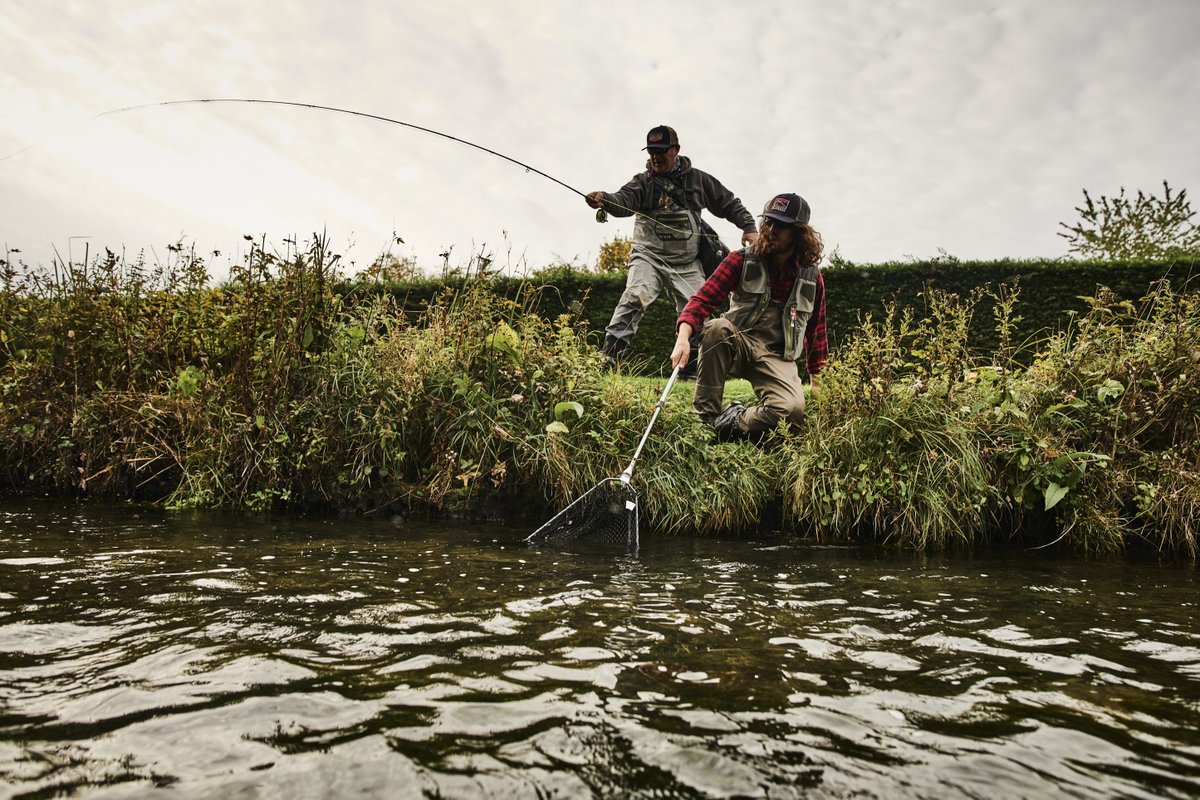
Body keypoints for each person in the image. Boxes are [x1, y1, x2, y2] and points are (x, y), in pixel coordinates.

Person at [585, 125, 759, 374]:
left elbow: (728, 203)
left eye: (662, 151)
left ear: (675, 150)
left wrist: (749, 227)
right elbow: (623, 200)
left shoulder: (698, 180)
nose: (655, 157)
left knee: (698, 310)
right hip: (648, 257)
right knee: (635, 296)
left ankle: (691, 370)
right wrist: (605, 199)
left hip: (687, 263)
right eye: (652, 151)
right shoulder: (642, 183)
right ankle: (609, 358)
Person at [670, 192, 827, 442]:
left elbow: (816, 332)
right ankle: (705, 419)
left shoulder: (812, 278)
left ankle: (731, 420)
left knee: (791, 412)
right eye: (769, 222)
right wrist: (683, 337)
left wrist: (817, 381)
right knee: (716, 328)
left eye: (782, 226)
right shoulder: (740, 260)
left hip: (777, 355)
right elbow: (702, 300)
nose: (771, 230)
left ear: (799, 234)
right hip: (737, 343)